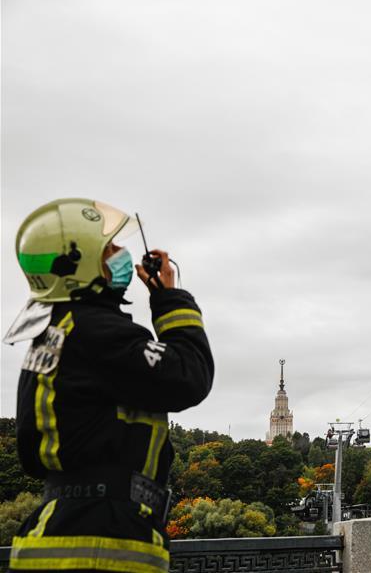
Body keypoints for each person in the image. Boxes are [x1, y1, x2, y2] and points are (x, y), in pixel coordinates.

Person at [4, 198, 214, 573]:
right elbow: (189, 376)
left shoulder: (53, 333)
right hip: (101, 537)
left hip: (58, 526)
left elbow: (31, 453)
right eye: (111, 249)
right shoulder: (97, 333)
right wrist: (169, 300)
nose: (122, 256)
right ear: (81, 262)